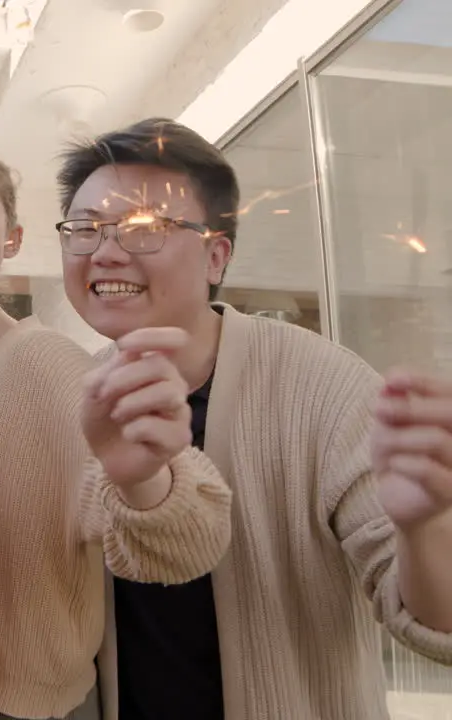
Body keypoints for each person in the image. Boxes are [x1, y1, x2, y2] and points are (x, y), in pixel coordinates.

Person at [54, 117, 452, 720]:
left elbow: (431, 623)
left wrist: (426, 530)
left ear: (216, 255)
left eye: (142, 228)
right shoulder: (72, 399)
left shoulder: (324, 386)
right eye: (85, 229)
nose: (105, 252)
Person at [0, 144, 234, 720]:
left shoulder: (54, 367)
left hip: (24, 703)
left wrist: (148, 480)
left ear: (13, 238)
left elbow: (180, 542)